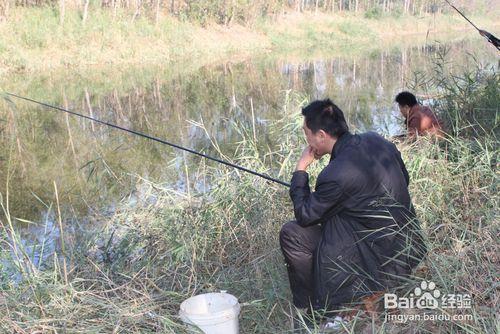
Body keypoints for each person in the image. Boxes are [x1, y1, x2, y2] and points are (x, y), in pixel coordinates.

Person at [279, 99, 426, 327]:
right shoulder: (376, 140)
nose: (306, 141)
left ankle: (322, 308)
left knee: (292, 233)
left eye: (306, 134)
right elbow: (404, 179)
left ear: (321, 135)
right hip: (408, 248)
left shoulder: (334, 174)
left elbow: (305, 215)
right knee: (336, 219)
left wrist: (300, 170)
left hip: (381, 262)